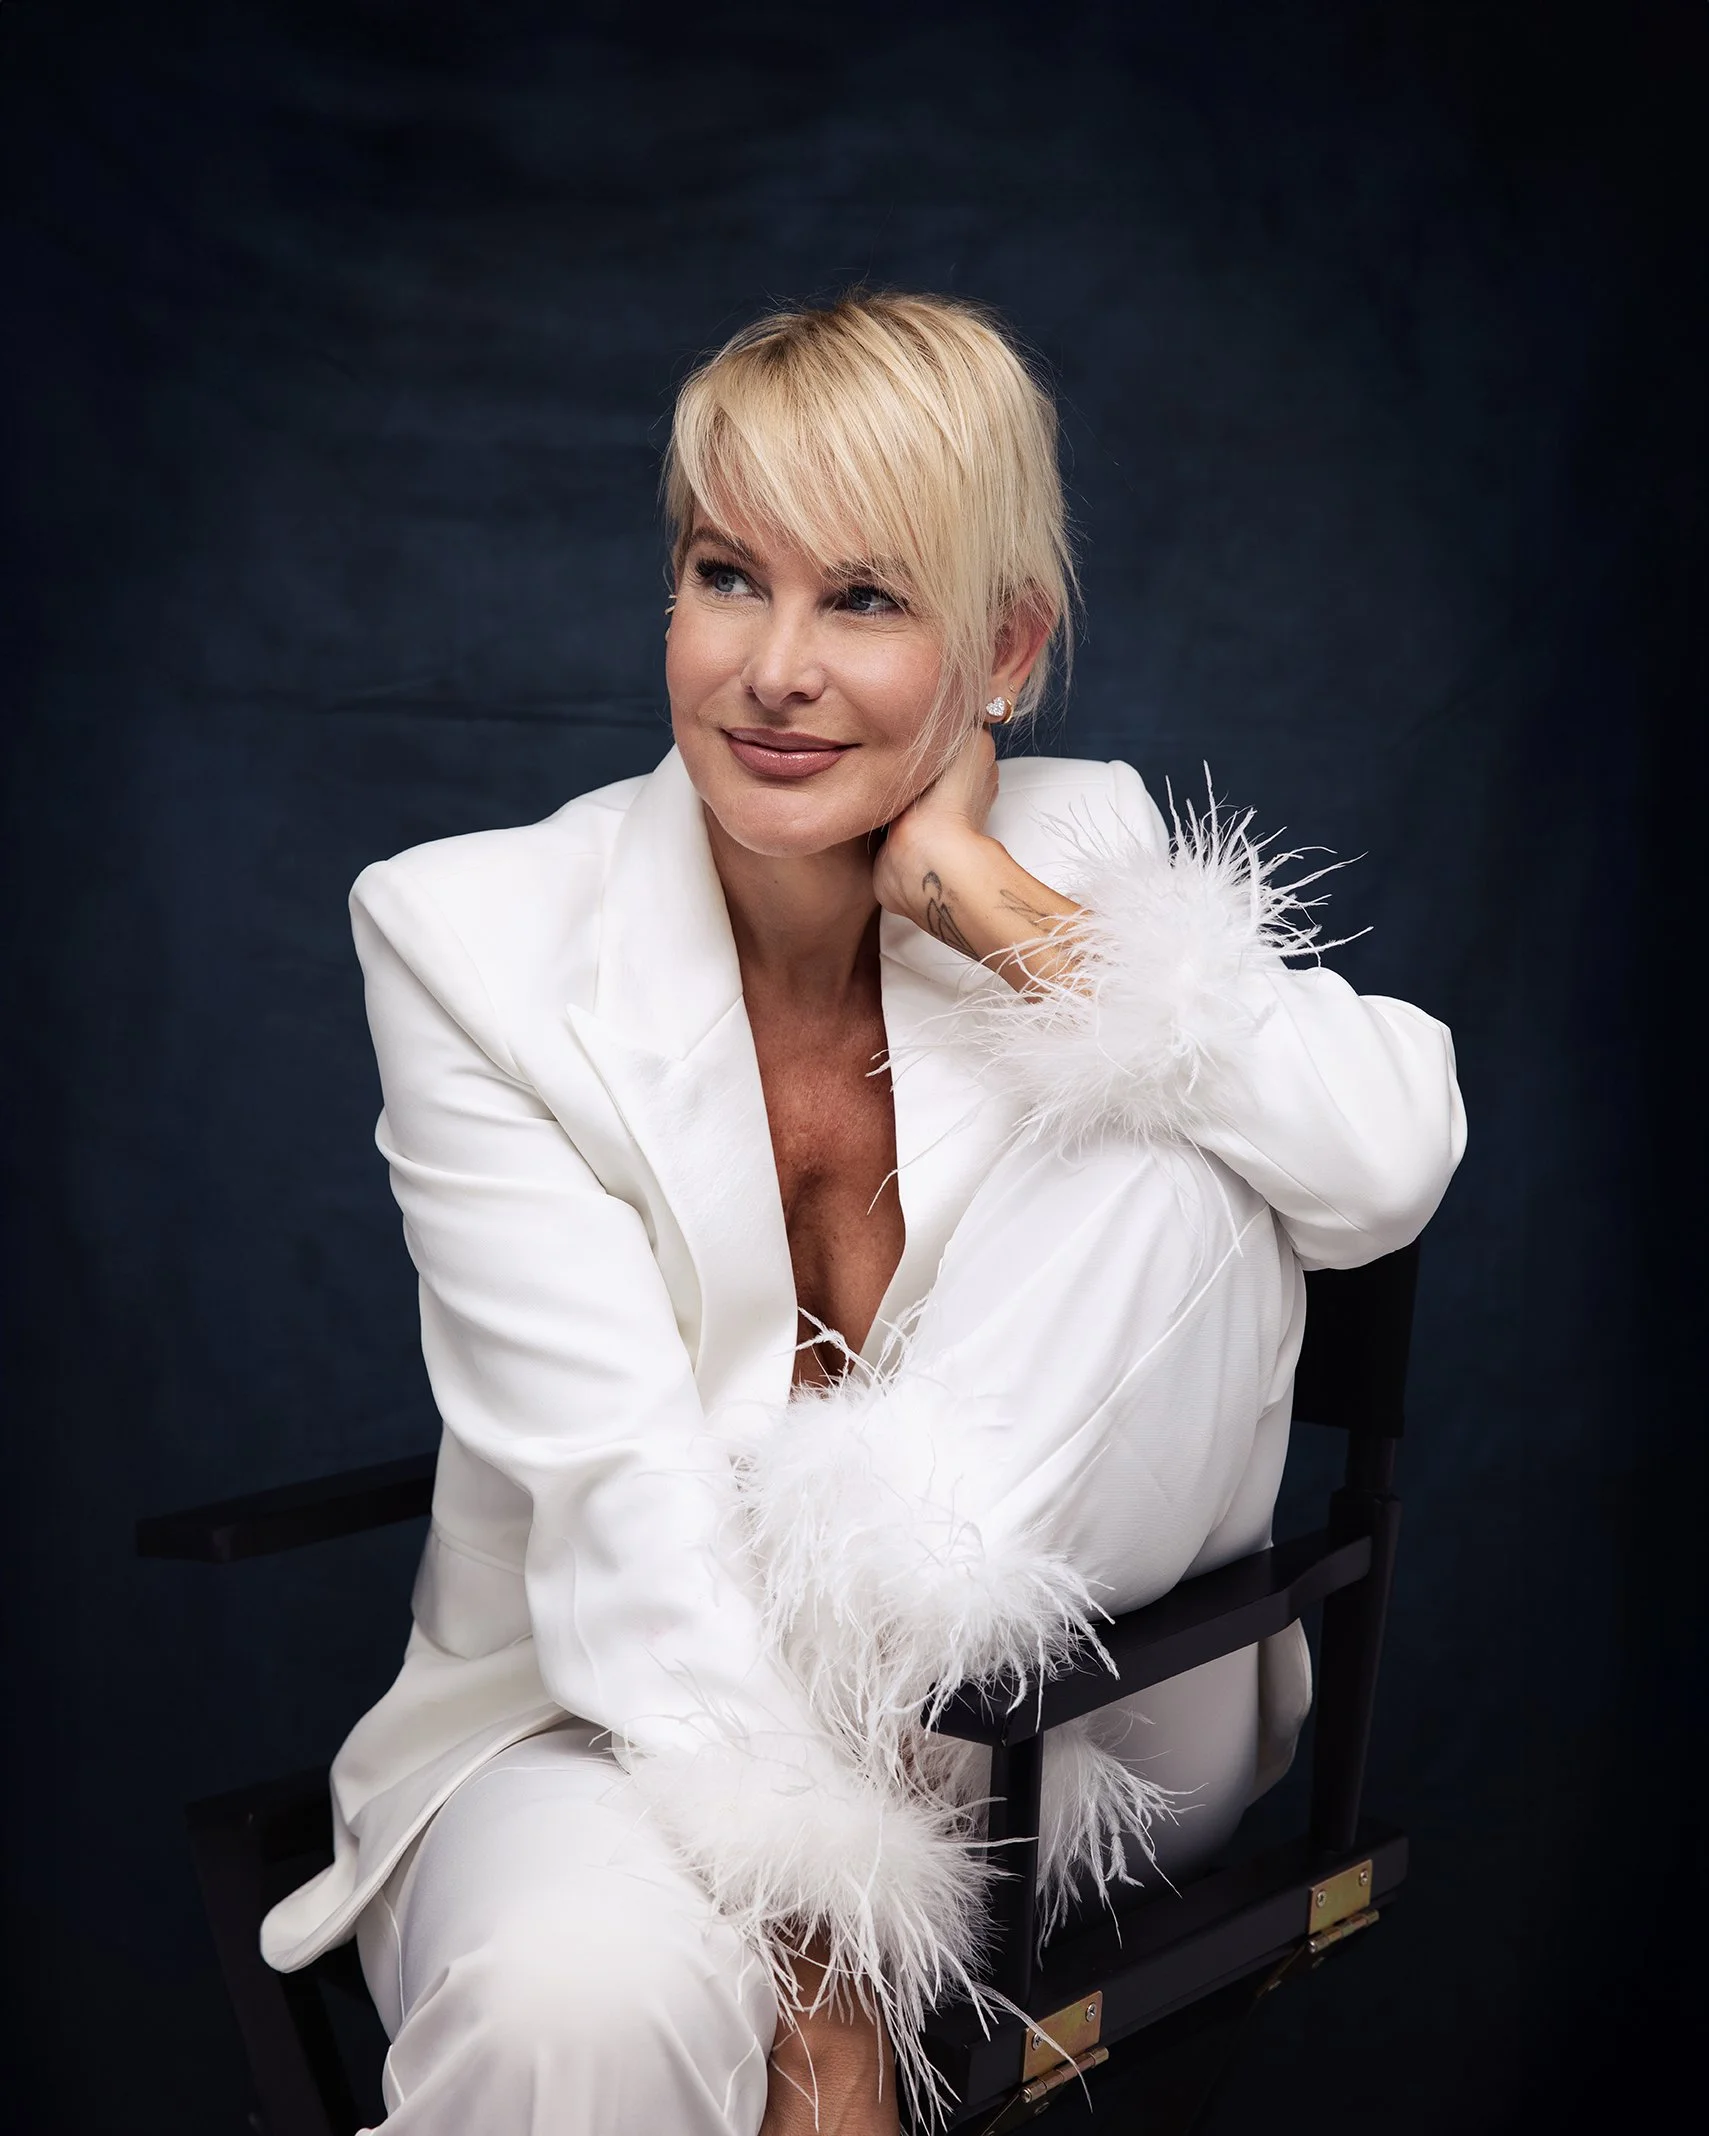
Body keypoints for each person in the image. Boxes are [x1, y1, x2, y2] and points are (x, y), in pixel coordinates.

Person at [261, 292, 1465, 2134]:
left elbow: (1383, 1163)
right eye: (731, 576)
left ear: (1008, 647)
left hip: (1059, 1727)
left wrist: (991, 902)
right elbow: (614, 1491)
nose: (773, 669)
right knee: (566, 2012)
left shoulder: (1086, 852)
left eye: (868, 600)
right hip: (613, 1706)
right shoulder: (471, 939)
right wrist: (824, 1950)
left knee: (1171, 1153)